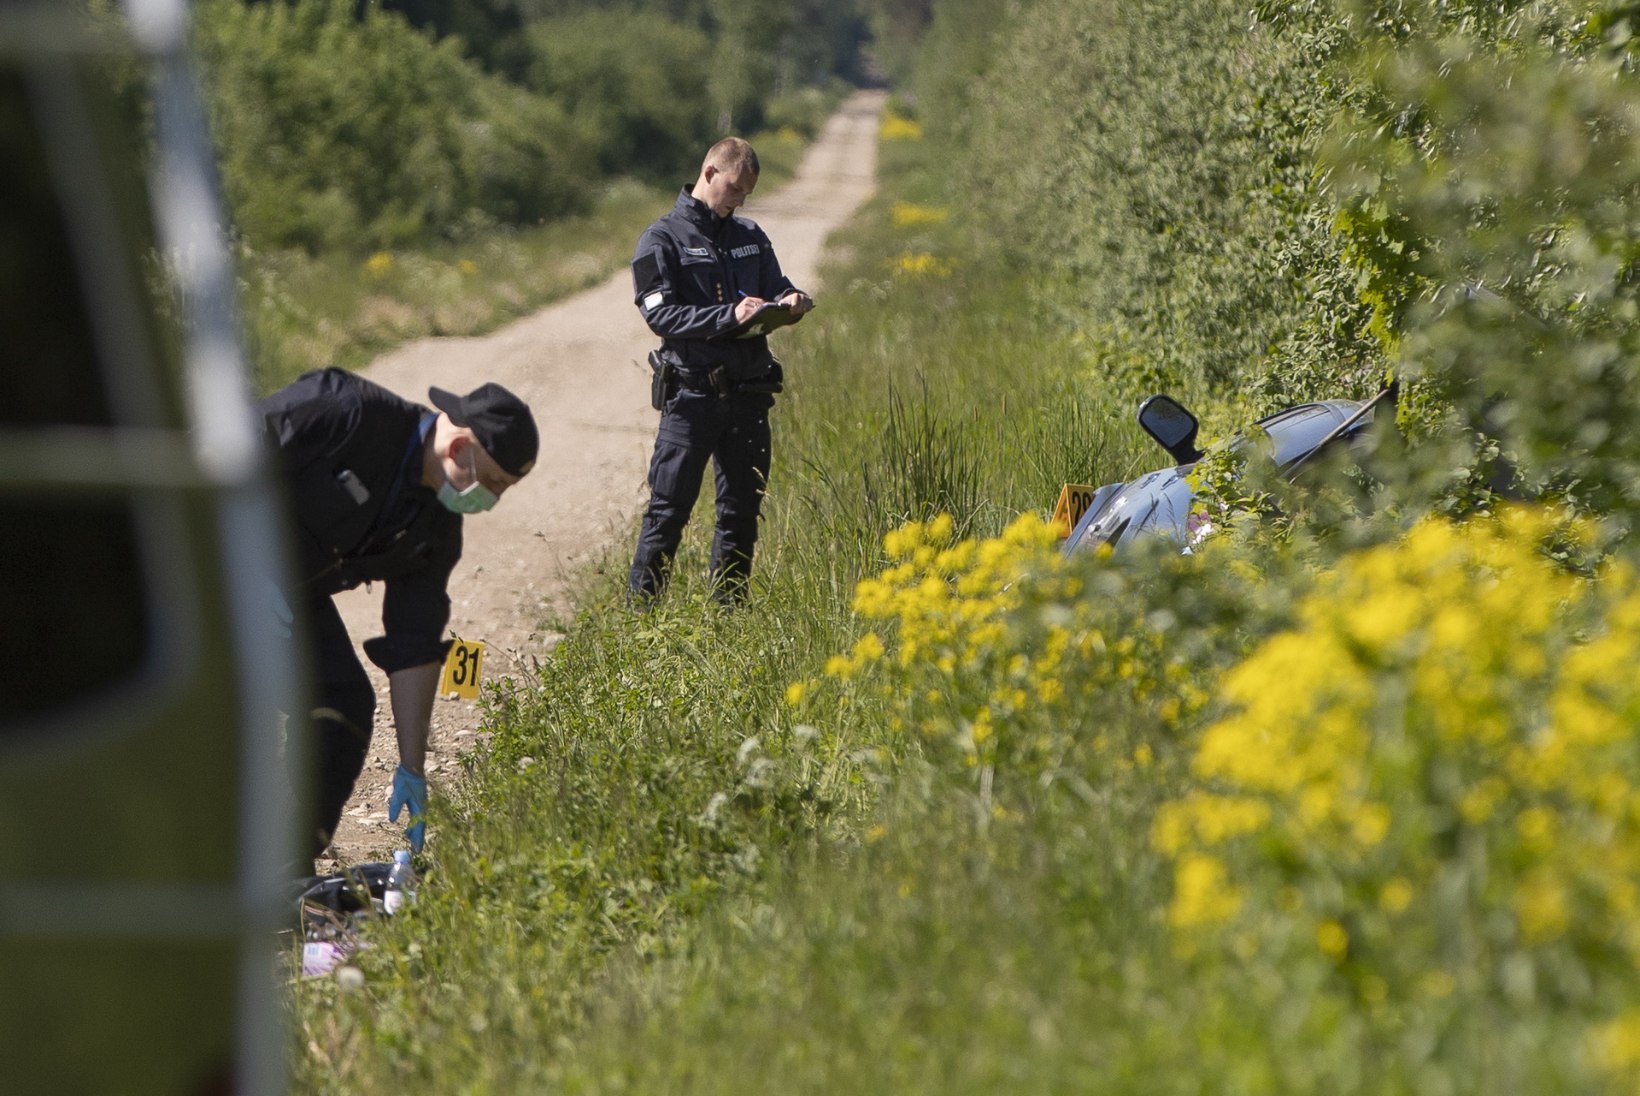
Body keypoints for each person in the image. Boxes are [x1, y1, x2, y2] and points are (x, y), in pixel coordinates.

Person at [260, 367, 538, 859]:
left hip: (284, 598)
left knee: (342, 704)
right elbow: (214, 455)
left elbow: (414, 642)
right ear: (459, 448)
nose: (493, 500)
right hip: (198, 554)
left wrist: (412, 765)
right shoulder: (346, 409)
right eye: (493, 482)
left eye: (504, 489)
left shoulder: (435, 529)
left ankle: (283, 868)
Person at [628, 136, 815, 603]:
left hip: (749, 395)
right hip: (691, 398)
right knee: (668, 511)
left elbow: (777, 286)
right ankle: (641, 616)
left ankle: (728, 615)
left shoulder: (750, 237)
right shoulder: (661, 239)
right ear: (709, 172)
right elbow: (660, 316)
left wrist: (790, 301)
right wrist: (727, 317)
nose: (738, 201)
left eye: (746, 194)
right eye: (733, 188)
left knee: (741, 511)